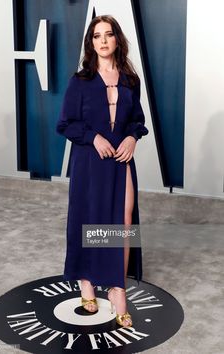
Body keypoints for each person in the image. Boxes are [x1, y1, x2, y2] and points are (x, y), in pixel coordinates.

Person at [56, 15, 149, 327]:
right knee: (88, 219)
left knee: (122, 222)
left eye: (109, 35)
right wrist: (93, 137)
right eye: (97, 36)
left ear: (117, 39)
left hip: (121, 159)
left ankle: (117, 289)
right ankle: (85, 281)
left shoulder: (130, 80)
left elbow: (137, 120)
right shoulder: (80, 81)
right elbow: (65, 124)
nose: (104, 41)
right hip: (89, 162)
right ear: (91, 43)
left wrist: (132, 138)